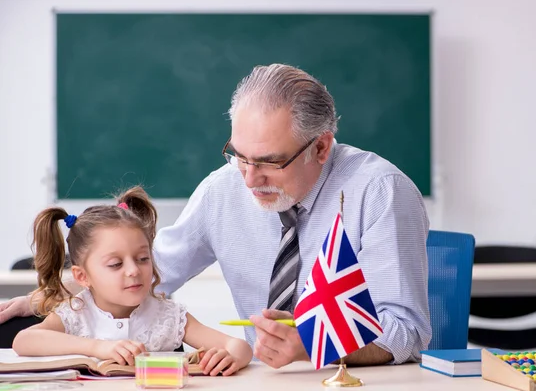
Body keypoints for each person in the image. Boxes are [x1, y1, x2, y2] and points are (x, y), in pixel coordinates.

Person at [1, 63, 431, 369]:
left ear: (321, 147)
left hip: (366, 381)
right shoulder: (223, 188)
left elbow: (406, 332)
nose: (248, 178)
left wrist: (311, 343)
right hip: (263, 380)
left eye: (268, 162)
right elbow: (152, 270)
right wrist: (54, 296)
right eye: (238, 155)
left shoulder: (379, 192)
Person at [11, 186, 252, 376]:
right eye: (116, 264)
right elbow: (24, 341)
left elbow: (239, 347)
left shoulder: (168, 315)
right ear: (82, 277)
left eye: (143, 258)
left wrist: (230, 357)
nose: (133, 270)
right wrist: (98, 348)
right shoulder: (77, 311)